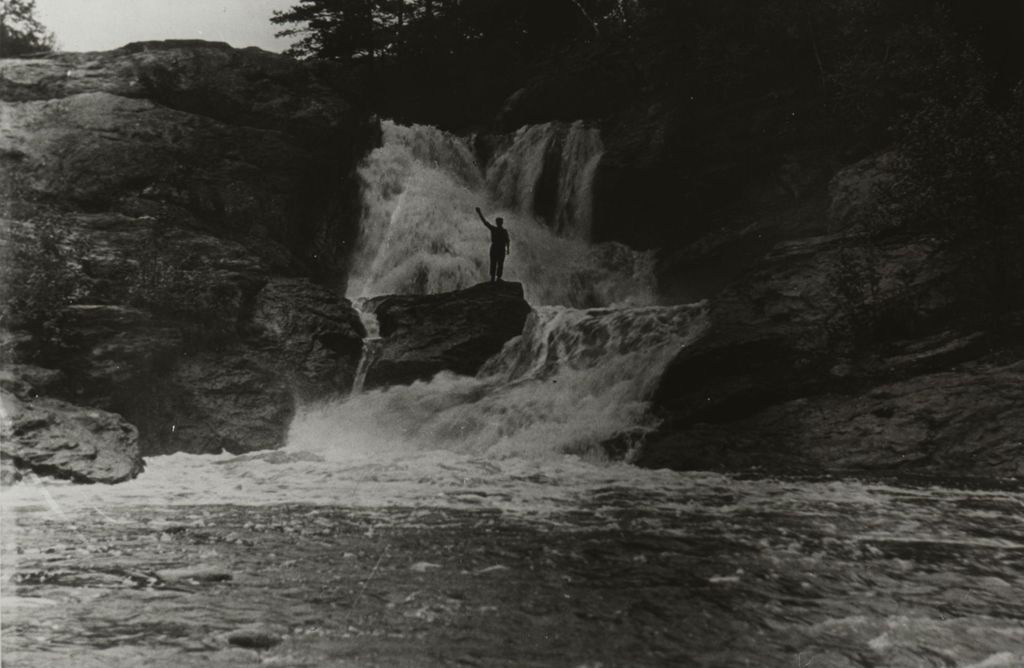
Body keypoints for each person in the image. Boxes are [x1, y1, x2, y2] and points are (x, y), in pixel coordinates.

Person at [476, 207, 510, 282]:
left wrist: (508, 249)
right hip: (498, 248)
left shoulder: (497, 230)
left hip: (497, 248)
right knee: (496, 263)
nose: (499, 223)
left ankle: (495, 278)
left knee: (496, 263)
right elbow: (507, 240)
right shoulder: (501, 230)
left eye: (499, 222)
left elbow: (507, 240)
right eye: (498, 222)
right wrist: (508, 249)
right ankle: (495, 278)